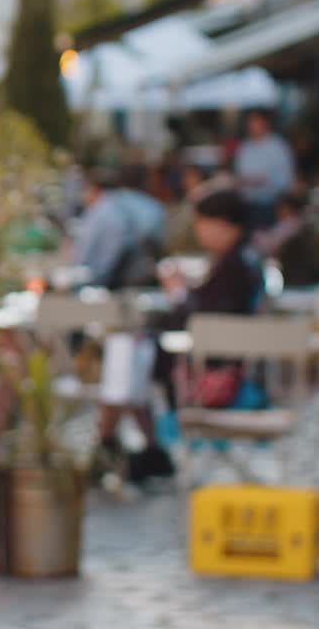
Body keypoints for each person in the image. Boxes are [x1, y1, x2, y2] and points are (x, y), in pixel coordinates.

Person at [128, 188, 264, 484]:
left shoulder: (235, 267)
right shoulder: (242, 262)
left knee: (132, 355)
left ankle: (150, 450)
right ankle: (149, 450)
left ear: (224, 224)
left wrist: (177, 291)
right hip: (228, 370)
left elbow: (199, 319)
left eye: (202, 221)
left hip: (213, 378)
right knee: (133, 355)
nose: (198, 229)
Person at [235, 110, 296, 231]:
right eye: (250, 122)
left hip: (271, 206)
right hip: (247, 206)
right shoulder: (245, 147)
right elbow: (239, 175)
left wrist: (263, 181)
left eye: (255, 121)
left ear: (266, 123)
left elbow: (286, 180)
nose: (252, 125)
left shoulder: (278, 147)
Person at [72, 170, 132, 289]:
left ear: (94, 190)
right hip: (109, 272)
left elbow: (84, 250)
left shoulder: (98, 212)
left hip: (97, 275)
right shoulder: (115, 209)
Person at [254, 192, 319, 288]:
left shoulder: (293, 224)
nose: (278, 210)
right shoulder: (287, 223)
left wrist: (260, 238)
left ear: (290, 208)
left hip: (289, 271)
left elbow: (272, 246)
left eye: (282, 207)